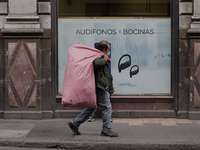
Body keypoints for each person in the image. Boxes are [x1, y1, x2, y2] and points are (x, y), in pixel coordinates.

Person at [68, 40, 118, 137]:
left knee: (91, 107)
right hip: (100, 87)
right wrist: (105, 58)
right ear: (103, 49)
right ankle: (106, 130)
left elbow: (106, 75)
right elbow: (96, 64)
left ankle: (75, 123)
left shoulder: (101, 57)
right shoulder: (96, 56)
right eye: (108, 50)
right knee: (106, 108)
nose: (108, 52)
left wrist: (111, 86)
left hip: (102, 86)